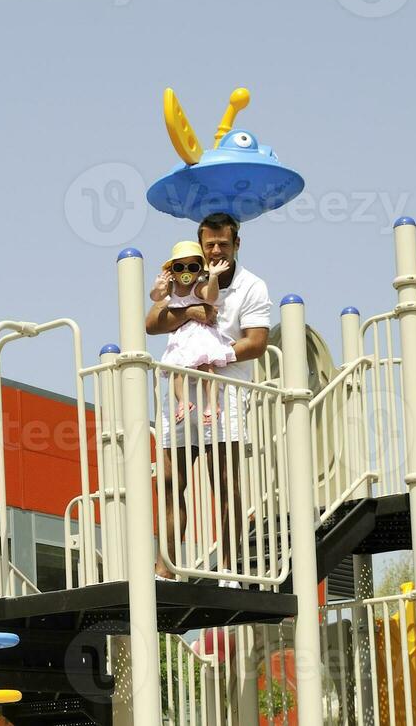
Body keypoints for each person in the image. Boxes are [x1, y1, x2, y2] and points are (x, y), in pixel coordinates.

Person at [145, 212, 272, 579]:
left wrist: (214, 354)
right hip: (181, 394)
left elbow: (257, 343)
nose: (216, 250)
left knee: (225, 484)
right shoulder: (188, 275)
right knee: (171, 482)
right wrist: (193, 312)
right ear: (200, 245)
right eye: (209, 244)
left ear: (237, 244)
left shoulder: (252, 286)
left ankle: (231, 569)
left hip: (223, 394)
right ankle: (164, 571)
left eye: (223, 244)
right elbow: (152, 323)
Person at [151, 239, 236, 442]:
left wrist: (213, 277)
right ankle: (182, 402)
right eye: (180, 267)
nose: (186, 271)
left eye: (192, 267)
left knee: (206, 367)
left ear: (199, 271)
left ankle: (212, 403)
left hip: (199, 334)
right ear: (172, 271)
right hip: (180, 337)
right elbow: (156, 298)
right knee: (175, 369)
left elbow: (211, 296)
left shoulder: (198, 288)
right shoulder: (171, 289)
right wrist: (158, 287)